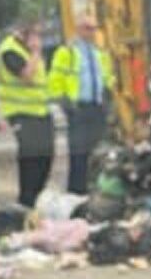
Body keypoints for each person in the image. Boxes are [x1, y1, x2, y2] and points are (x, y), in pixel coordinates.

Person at [49, 14, 115, 195]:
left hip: (96, 107)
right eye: (88, 28)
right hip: (78, 108)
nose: (92, 32)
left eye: (94, 28)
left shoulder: (100, 52)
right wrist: (64, 103)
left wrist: (109, 95)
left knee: (98, 152)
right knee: (78, 153)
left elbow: (106, 77)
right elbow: (55, 79)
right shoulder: (67, 52)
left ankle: (96, 190)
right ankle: (77, 192)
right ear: (78, 29)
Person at [0, 21, 53, 208]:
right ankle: (26, 201)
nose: (38, 40)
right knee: (31, 158)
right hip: (21, 112)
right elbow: (26, 76)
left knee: (46, 156)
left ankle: (36, 198)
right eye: (35, 37)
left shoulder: (27, 51)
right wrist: (35, 52)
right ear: (23, 36)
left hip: (40, 111)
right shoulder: (9, 51)